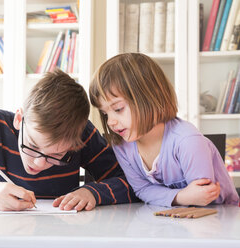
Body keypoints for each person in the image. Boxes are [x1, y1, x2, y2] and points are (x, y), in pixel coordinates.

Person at [0, 69, 139, 211]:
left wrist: (93, 192)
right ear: (20, 119)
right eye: (32, 146)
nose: (39, 163)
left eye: (57, 155)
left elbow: (134, 183)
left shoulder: (81, 133)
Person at [89, 53, 239, 207]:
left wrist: (177, 197)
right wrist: (181, 196)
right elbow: (142, 190)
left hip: (220, 218)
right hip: (174, 220)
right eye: (105, 113)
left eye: (118, 109)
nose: (111, 122)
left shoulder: (187, 141)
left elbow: (202, 197)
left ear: (150, 98)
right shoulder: (122, 145)